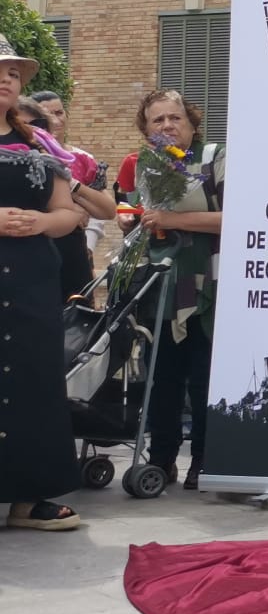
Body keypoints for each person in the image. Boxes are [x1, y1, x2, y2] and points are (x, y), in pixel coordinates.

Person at [0, 41, 85, 531]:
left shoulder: (38, 144)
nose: (8, 79)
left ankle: (28, 498)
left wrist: (38, 221)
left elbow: (68, 213)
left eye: (15, 72)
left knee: (33, 382)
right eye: (0, 71)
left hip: (32, 281)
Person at [125, 90, 226, 490]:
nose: (167, 126)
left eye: (174, 118)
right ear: (147, 130)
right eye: (157, 121)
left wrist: (173, 218)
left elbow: (239, 217)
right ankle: (162, 459)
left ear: (192, 122)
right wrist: (133, 220)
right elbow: (140, 213)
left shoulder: (215, 157)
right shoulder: (148, 164)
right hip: (164, 282)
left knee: (205, 377)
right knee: (161, 378)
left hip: (210, 285)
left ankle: (204, 458)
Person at [30, 89, 111, 259]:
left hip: (75, 250)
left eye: (59, 113)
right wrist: (73, 211)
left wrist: (73, 186)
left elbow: (108, 210)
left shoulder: (82, 159)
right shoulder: (21, 157)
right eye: (46, 115)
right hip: (34, 248)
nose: (55, 120)